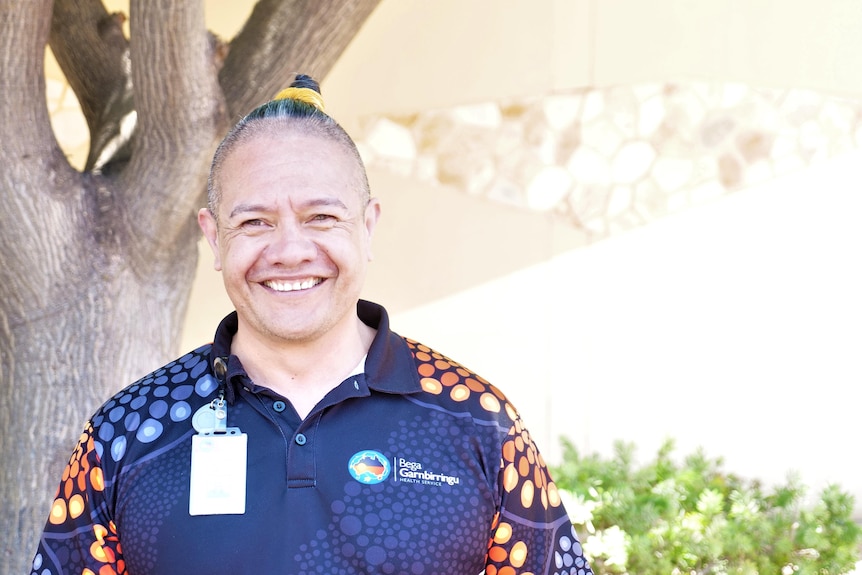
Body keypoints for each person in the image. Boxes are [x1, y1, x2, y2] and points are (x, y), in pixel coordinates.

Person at [31, 75, 593, 575]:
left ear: (368, 227)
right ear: (213, 238)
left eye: (321, 217)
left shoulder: (478, 423)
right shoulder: (128, 432)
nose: (291, 250)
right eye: (255, 221)